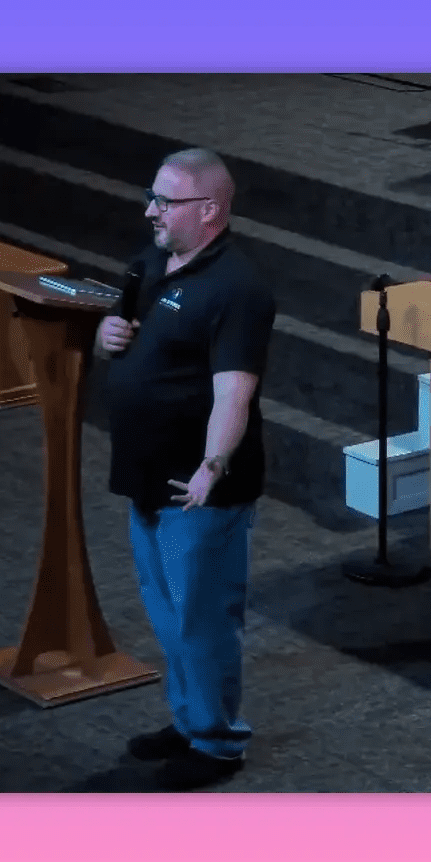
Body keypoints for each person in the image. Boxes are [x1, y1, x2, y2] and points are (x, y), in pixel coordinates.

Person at [95, 148, 276, 791]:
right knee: (168, 615)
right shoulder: (150, 266)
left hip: (197, 491)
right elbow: (126, 332)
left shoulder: (238, 289)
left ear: (208, 210)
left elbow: (235, 393)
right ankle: (189, 719)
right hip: (144, 475)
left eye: (163, 202)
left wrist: (211, 468)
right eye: (152, 197)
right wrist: (106, 336)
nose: (149, 211)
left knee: (203, 619)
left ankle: (219, 744)